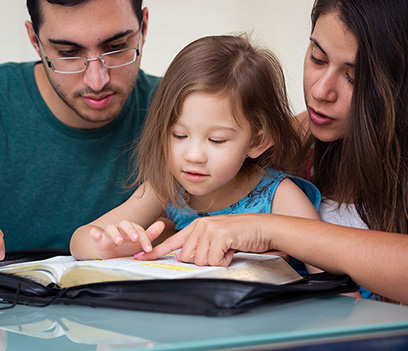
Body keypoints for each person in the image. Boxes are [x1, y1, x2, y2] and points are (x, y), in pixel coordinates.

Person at [139, 0, 408, 304]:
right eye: (317, 58)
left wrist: (269, 228)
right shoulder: (285, 145)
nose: (321, 91)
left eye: (353, 77)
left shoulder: (278, 190)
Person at [70, 34, 321, 274]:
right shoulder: (165, 189)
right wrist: (109, 245)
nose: (193, 155)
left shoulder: (280, 196)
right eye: (178, 135)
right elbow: (80, 239)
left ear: (257, 140)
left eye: (216, 140)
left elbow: (332, 276)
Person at [0, 0, 160, 254]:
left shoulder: (183, 110)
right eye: (68, 53)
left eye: (116, 47)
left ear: (143, 27)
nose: (97, 81)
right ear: (35, 40)